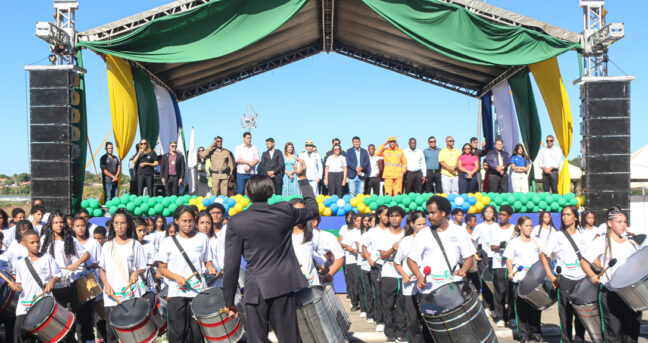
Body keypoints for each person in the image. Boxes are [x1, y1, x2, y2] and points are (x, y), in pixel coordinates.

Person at [222, 159, 318, 343]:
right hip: (282, 286)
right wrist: (303, 178)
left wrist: (228, 300)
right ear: (271, 192)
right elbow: (313, 209)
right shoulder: (284, 211)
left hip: (255, 289)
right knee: (290, 339)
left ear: (247, 193)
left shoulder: (237, 221)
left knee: (257, 339)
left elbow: (231, 264)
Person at [406, 196, 475, 334]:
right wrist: (419, 277)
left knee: (455, 329)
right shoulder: (423, 234)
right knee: (432, 330)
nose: (429, 216)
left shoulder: (459, 232)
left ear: (443, 213)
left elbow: (468, 258)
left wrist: (464, 269)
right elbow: (411, 260)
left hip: (452, 289)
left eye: (433, 212)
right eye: (428, 213)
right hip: (430, 291)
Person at [156, 206, 217, 343]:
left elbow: (208, 261)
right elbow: (162, 269)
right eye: (184, 221)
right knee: (178, 333)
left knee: (197, 333)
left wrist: (211, 268)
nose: (188, 224)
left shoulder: (202, 238)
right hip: (177, 293)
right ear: (176, 221)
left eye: (191, 221)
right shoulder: (168, 242)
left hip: (198, 292)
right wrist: (177, 277)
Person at [582, 207, 640, 343]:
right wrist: (592, 275)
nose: (623, 225)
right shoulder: (601, 241)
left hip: (631, 294)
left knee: (631, 334)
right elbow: (584, 261)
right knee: (613, 334)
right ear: (609, 223)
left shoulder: (631, 243)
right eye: (619, 222)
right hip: (611, 293)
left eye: (625, 222)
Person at [40, 211, 91, 343]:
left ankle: (69, 339)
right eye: (56, 222)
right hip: (50, 285)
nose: (59, 225)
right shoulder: (44, 240)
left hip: (67, 283)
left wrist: (77, 263)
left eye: (61, 222)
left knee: (69, 314)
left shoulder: (70, 240)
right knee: (52, 316)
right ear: (51, 224)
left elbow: (86, 254)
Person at [540, 205, 588, 343]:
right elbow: (544, 255)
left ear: (575, 217)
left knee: (581, 314)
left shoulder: (582, 234)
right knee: (565, 314)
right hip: (566, 279)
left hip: (582, 279)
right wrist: (551, 276)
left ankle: (579, 339)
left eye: (568, 214)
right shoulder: (558, 235)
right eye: (563, 215)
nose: (565, 217)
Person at [98, 209, 147, 343]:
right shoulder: (107, 246)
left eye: (123, 223)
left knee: (131, 332)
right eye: (116, 223)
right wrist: (106, 285)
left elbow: (142, 266)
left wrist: (137, 272)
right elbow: (102, 269)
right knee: (112, 332)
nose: (119, 226)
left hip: (130, 295)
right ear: (112, 225)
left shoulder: (135, 245)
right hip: (111, 296)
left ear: (128, 225)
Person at [9, 229, 62, 343]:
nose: (36, 245)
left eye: (38, 242)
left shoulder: (47, 258)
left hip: (44, 302)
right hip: (25, 306)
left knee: (45, 336)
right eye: (32, 243)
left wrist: (52, 281)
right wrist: (16, 287)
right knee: (20, 334)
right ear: (24, 244)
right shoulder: (20, 264)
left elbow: (58, 274)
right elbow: (20, 285)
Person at [503, 216, 542, 342]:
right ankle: (523, 334)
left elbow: (543, 258)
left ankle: (535, 332)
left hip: (534, 279)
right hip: (520, 278)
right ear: (520, 226)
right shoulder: (514, 242)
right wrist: (510, 272)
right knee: (521, 309)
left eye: (531, 225)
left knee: (535, 307)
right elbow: (509, 259)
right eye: (527, 225)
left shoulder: (536, 241)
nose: (529, 228)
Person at [393, 211, 427, 343]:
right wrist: (405, 274)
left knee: (426, 318)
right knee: (412, 320)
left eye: (424, 224)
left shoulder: (431, 240)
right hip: (410, 286)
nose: (422, 227)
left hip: (426, 286)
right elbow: (397, 263)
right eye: (419, 224)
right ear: (412, 224)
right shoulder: (406, 242)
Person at [378, 207, 407, 343]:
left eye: (397, 216)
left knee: (401, 306)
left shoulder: (407, 234)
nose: (394, 219)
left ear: (402, 218)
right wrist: (393, 248)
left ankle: (400, 332)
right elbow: (382, 255)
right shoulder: (383, 234)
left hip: (403, 275)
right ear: (388, 218)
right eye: (392, 216)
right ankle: (389, 332)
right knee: (388, 306)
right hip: (388, 273)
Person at [361, 205, 389, 332]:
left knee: (388, 295)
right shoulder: (372, 231)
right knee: (377, 293)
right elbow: (364, 247)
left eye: (389, 215)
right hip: (377, 266)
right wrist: (369, 260)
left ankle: (390, 320)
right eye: (385, 214)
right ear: (379, 215)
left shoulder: (392, 231)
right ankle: (380, 320)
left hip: (390, 266)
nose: (387, 217)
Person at [489, 205, 515, 327]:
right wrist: (501, 246)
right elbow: (492, 247)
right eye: (500, 214)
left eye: (504, 215)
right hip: (498, 263)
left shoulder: (514, 229)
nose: (501, 217)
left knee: (511, 292)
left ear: (509, 216)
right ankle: (500, 317)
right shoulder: (494, 228)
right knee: (499, 291)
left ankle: (511, 316)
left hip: (511, 265)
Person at [471, 205, 498, 314]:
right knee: (485, 281)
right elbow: (471, 240)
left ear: (494, 214)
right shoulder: (479, 227)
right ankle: (486, 306)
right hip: (485, 256)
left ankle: (495, 307)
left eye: (490, 212)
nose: (488, 214)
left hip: (496, 257)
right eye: (486, 212)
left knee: (496, 283)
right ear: (483, 214)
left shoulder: (497, 226)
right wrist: (474, 254)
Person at [341, 212, 362, 311]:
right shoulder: (350, 232)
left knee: (361, 283)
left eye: (361, 221)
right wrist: (352, 249)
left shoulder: (365, 232)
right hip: (352, 260)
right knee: (354, 283)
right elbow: (344, 244)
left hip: (362, 261)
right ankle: (354, 303)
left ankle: (362, 303)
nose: (359, 223)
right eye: (357, 221)